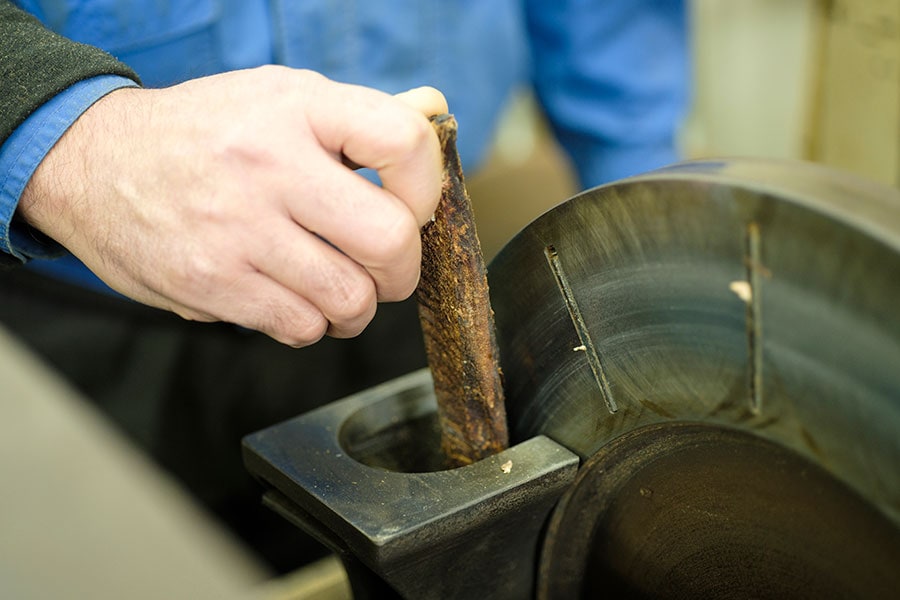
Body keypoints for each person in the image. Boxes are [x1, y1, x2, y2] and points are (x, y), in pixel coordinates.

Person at [0, 0, 688, 573]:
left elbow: (609, 20)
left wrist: (647, 214)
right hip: (68, 318)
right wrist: (74, 140)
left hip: (413, 290)